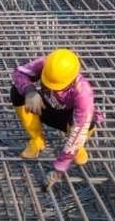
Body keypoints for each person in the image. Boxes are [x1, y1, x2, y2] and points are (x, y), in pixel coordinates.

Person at [10, 48, 100, 188]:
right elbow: (19, 72)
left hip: (68, 120)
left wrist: (59, 167)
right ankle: (37, 140)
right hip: (46, 106)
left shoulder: (83, 92)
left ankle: (77, 148)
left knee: (90, 121)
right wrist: (30, 91)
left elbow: (80, 129)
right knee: (16, 91)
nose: (50, 86)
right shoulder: (47, 64)